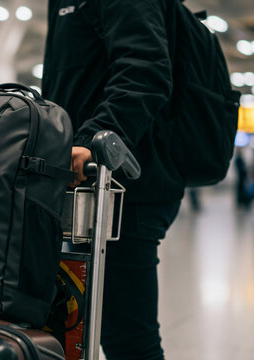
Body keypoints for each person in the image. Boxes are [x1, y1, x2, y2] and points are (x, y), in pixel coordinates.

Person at [42, 0, 184, 358]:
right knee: (75, 327)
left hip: (121, 185)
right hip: (82, 188)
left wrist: (92, 141)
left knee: (129, 339)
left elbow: (146, 69)